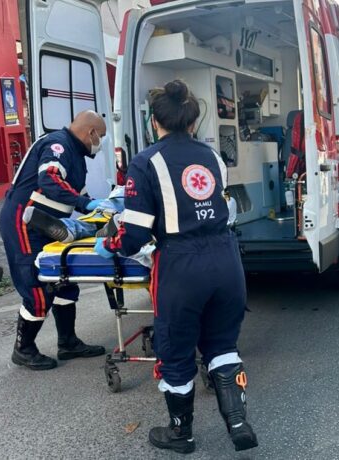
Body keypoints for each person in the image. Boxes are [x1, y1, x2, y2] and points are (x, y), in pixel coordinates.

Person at [95, 80, 258, 454]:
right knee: (222, 344)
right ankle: (237, 422)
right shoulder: (213, 157)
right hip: (226, 260)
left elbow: (134, 235)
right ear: (193, 120)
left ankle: (180, 432)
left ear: (155, 122)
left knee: (177, 350)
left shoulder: (146, 161)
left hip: (182, 267)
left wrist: (110, 244)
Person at [0, 110, 108, 371]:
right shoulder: (56, 145)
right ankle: (23, 349)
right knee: (37, 288)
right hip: (25, 223)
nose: (100, 142)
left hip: (51, 226)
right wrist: (85, 202)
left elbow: (76, 192)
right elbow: (49, 179)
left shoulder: (77, 156)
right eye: (101, 136)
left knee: (64, 281)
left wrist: (100, 211)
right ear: (91, 132)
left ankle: (68, 342)